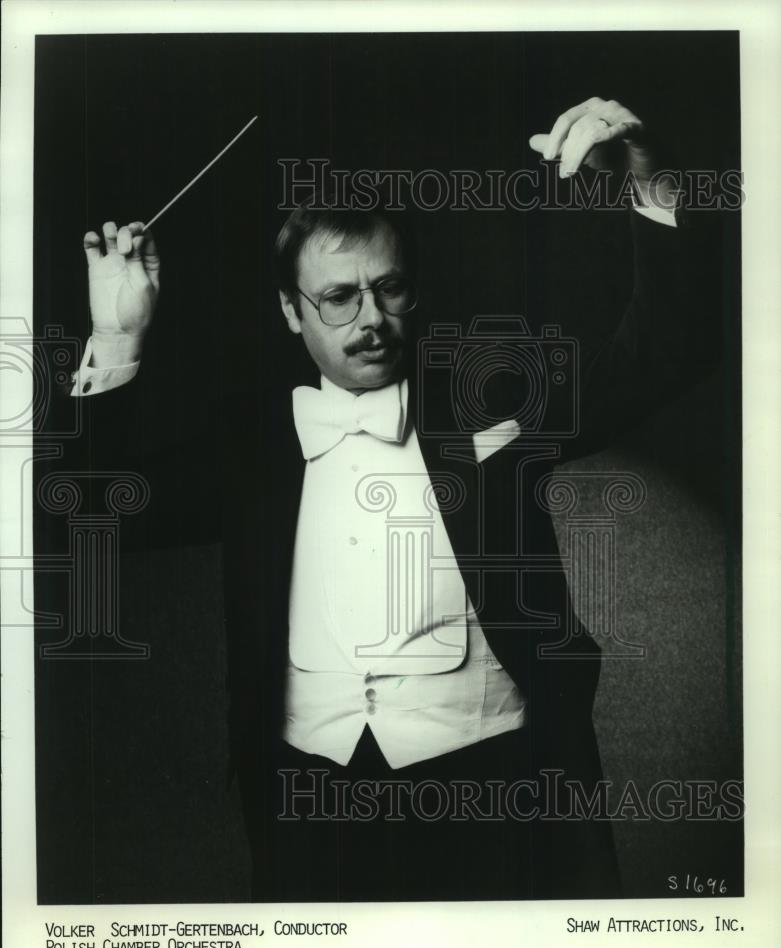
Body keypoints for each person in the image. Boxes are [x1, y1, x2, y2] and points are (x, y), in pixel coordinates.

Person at [67, 97, 717, 901]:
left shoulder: (491, 398)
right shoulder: (253, 446)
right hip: (311, 809)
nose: (370, 318)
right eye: (338, 297)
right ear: (290, 312)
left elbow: (663, 353)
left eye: (389, 288)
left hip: (498, 792)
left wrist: (648, 184)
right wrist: (121, 337)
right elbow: (87, 510)